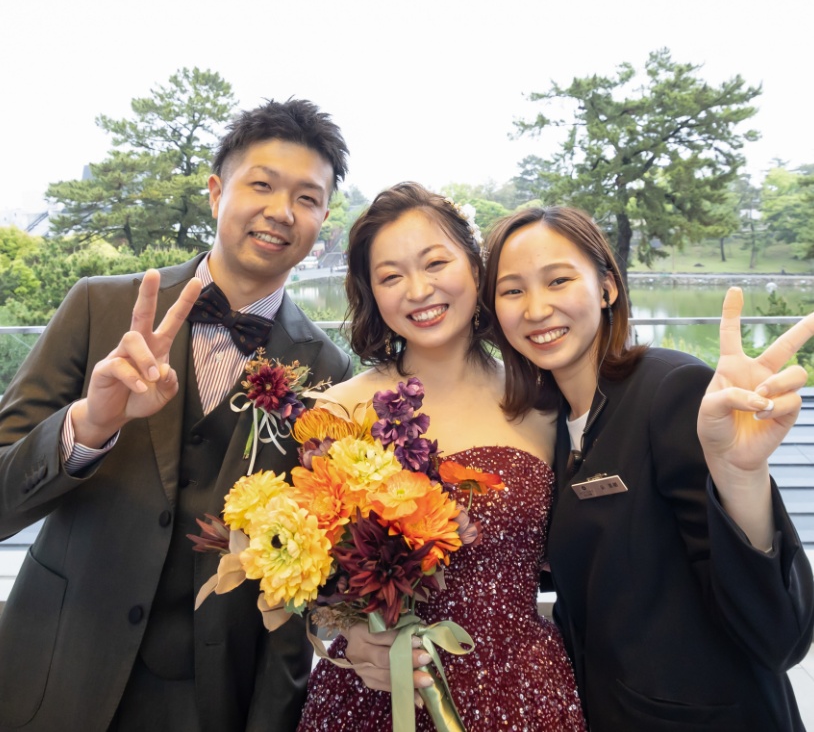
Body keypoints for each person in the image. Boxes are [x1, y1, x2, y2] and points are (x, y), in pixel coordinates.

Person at [0, 98, 354, 732]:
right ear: (217, 192)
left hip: (210, 698)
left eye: (306, 198)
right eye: (262, 184)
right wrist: (89, 427)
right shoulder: (98, 307)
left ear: (323, 218)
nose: (281, 211)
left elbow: (300, 583)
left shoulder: (329, 370)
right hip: (58, 670)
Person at [482, 205, 814, 731]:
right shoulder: (549, 424)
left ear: (607, 287)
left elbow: (779, 636)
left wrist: (742, 477)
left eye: (558, 280)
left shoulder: (670, 389)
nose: (537, 308)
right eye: (512, 290)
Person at [296, 183, 587, 731]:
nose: (418, 290)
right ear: (371, 292)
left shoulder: (546, 404)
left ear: (475, 267)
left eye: (435, 263)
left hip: (521, 688)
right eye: (390, 277)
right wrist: (349, 635)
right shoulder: (338, 411)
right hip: (376, 693)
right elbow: (311, 578)